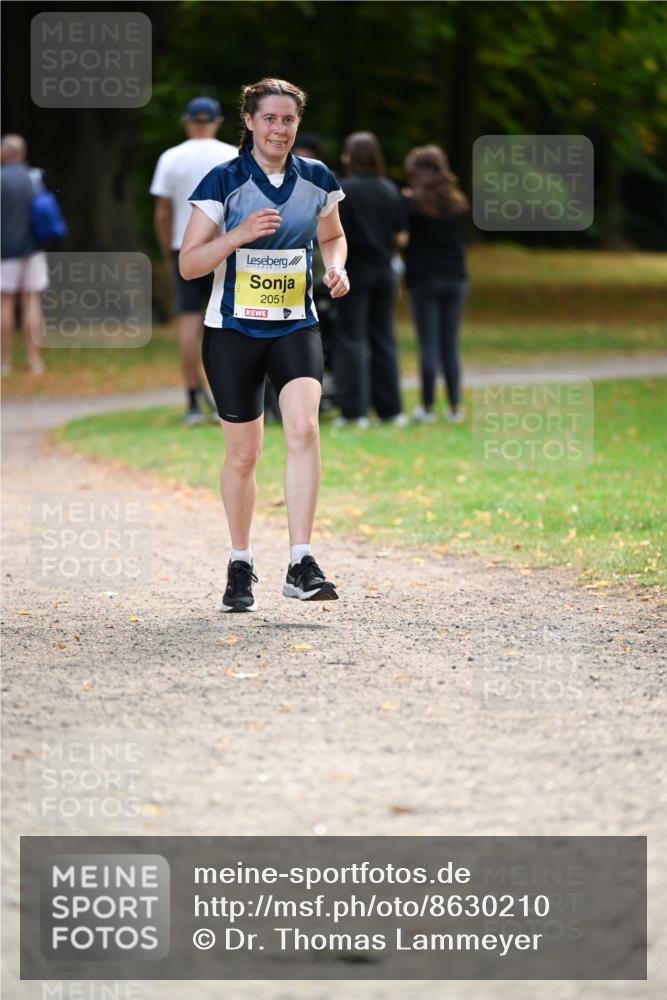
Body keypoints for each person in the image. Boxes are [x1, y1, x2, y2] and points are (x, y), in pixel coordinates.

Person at [179, 77, 349, 612]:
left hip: (295, 323)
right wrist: (237, 235)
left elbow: (332, 236)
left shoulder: (317, 178)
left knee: (303, 426)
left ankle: (301, 561)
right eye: (269, 119)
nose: (279, 129)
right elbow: (189, 263)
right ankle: (240, 561)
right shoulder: (223, 181)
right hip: (231, 331)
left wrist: (337, 266)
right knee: (244, 453)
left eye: (288, 120)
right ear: (249, 122)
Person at [150, 97, 237, 425]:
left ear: (187, 121)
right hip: (225, 248)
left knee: (188, 322)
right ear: (217, 121)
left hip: (182, 247)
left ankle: (191, 402)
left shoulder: (171, 158)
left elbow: (162, 212)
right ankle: (225, 399)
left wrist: (167, 249)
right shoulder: (232, 155)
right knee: (227, 323)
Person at [334, 131, 408, 428]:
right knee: (384, 339)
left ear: (348, 156)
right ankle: (390, 410)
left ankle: (355, 411)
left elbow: (337, 233)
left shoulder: (344, 189)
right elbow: (401, 236)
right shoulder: (390, 189)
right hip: (384, 270)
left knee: (351, 339)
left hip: (355, 270)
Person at [403, 144, 469, 423]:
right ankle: (455, 407)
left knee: (428, 344)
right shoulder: (458, 202)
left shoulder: (413, 204)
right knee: (450, 344)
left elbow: (405, 241)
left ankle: (427, 407)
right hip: (456, 277)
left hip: (425, 278)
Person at [0, 134, 48, 376]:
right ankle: (34, 360)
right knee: (31, 302)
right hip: (32, 249)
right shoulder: (34, 177)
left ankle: (5, 362)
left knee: (5, 304)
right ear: (22, 153)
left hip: (4, 250)